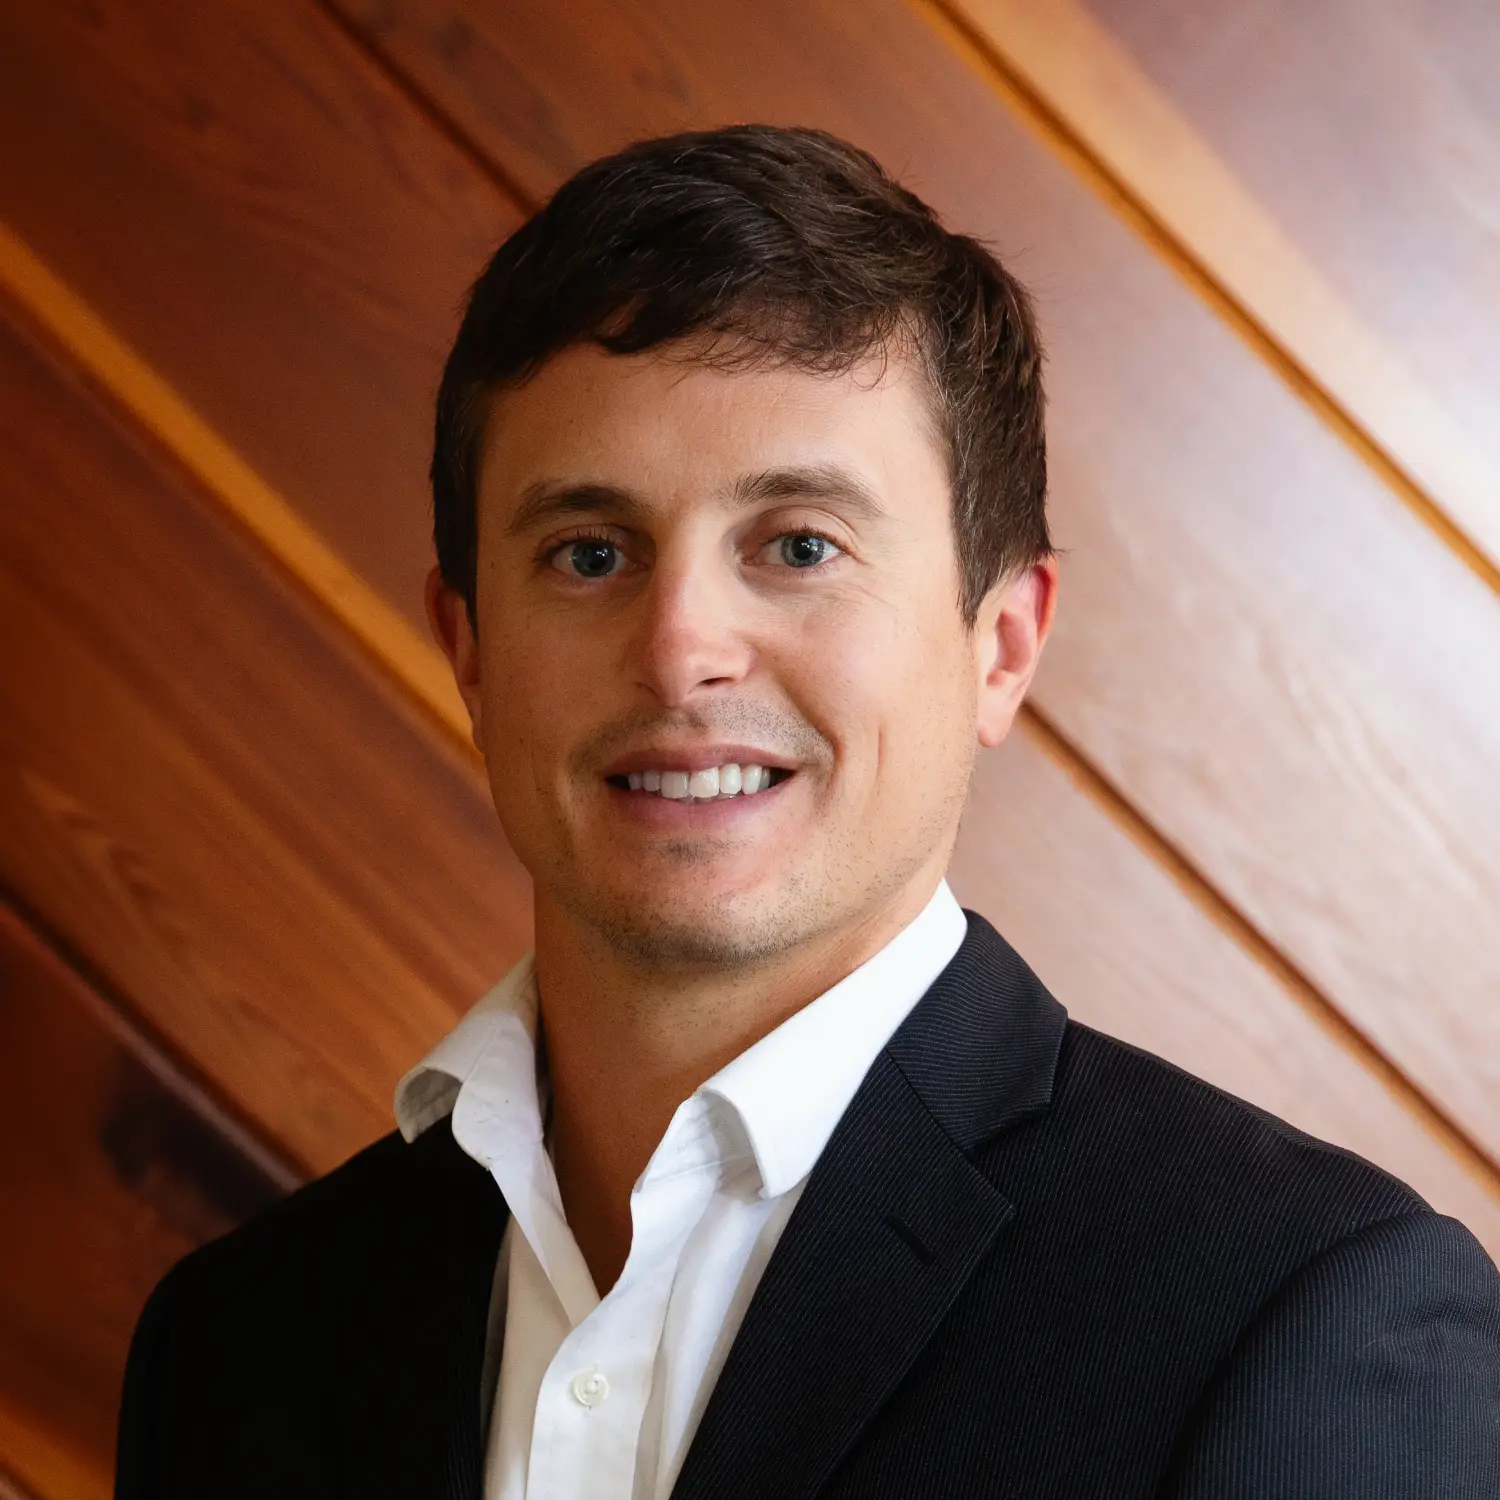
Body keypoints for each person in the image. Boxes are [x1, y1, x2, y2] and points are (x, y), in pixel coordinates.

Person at [115, 124, 1499, 1500]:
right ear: (467, 644)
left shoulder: (1297, 1313)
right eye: (588, 553)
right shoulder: (233, 1344)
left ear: (1002, 646)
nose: (679, 647)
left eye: (798, 547)